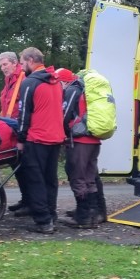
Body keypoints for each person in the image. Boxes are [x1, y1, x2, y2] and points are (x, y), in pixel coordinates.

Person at [14, 47, 65, 234]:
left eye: (21, 62)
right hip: (56, 137)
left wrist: (20, 137)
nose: (21, 67)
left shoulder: (29, 83)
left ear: (30, 60)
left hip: (37, 138)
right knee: (50, 180)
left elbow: (24, 113)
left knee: (35, 180)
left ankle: (43, 221)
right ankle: (51, 215)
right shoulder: (56, 81)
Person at [56, 68, 105, 228]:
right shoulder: (87, 91)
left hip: (80, 141)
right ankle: (92, 215)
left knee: (77, 177)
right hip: (94, 139)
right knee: (90, 178)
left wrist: (59, 132)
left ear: (63, 81)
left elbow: (64, 115)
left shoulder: (72, 90)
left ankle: (82, 217)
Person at [0, 51, 29, 214]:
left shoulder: (23, 79)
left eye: (5, 64)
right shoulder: (9, 81)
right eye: (1, 65)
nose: (3, 68)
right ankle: (26, 199)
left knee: (24, 166)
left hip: (20, 128)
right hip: (10, 128)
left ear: (15, 63)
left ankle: (30, 202)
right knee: (16, 164)